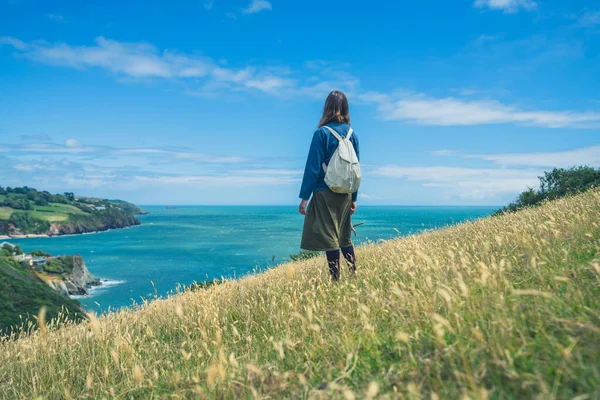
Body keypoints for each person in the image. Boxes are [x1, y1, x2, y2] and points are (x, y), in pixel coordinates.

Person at [298, 90, 360, 280]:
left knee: (329, 237)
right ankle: (353, 274)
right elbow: (355, 169)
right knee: (343, 236)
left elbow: (312, 168)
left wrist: (304, 198)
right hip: (346, 193)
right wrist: (354, 198)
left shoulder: (321, 134)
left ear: (327, 108)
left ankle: (335, 280)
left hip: (324, 192)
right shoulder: (352, 135)